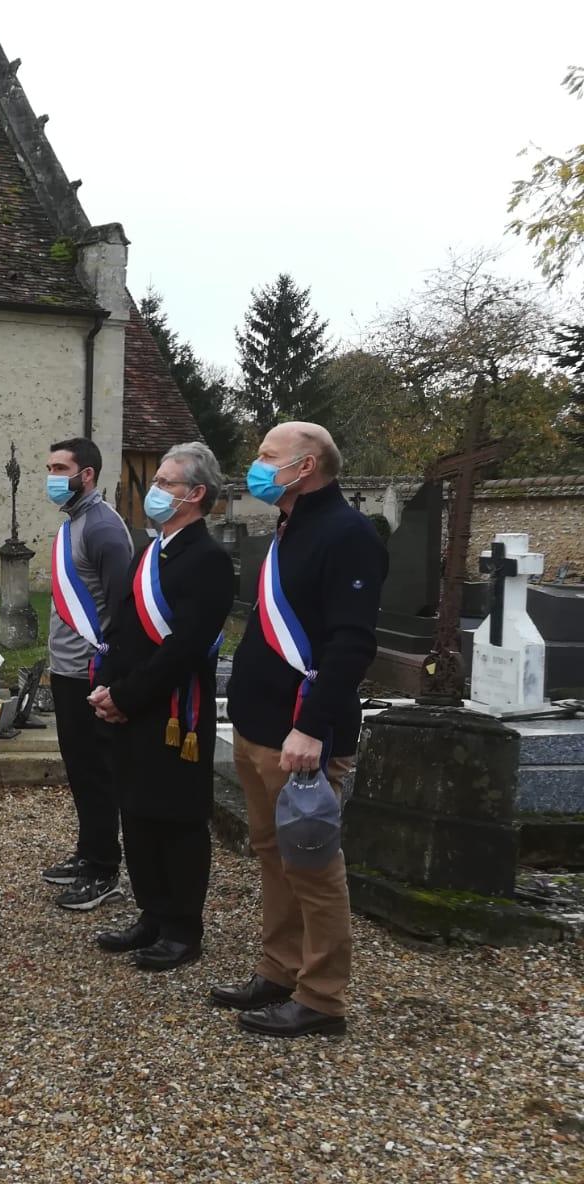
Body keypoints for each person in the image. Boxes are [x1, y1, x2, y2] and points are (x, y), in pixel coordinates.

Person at [214, 421, 386, 1038]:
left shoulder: (347, 534)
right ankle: (278, 969)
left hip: (305, 734)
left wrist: (311, 727)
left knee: (312, 866)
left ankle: (321, 997)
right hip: (259, 726)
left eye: (268, 456)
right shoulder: (289, 527)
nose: (256, 465)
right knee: (273, 856)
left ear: (306, 465)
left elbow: (350, 643)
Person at [88, 442, 234, 970]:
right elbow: (122, 629)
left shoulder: (209, 560)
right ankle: (150, 912)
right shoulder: (150, 551)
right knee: (137, 811)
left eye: (167, 482)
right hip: (129, 704)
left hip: (175, 711)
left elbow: (185, 647)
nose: (155, 489)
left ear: (195, 495)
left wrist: (127, 696)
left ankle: (181, 927)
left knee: (177, 818)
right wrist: (107, 686)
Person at [40, 436, 134, 911]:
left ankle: (104, 869)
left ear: (87, 475)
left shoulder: (103, 528)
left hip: (91, 672)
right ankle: (88, 852)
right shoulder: (74, 523)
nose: (52, 477)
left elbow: (121, 606)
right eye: (51, 468)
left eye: (61, 468)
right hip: (67, 668)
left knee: (97, 772)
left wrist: (111, 676)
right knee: (79, 768)